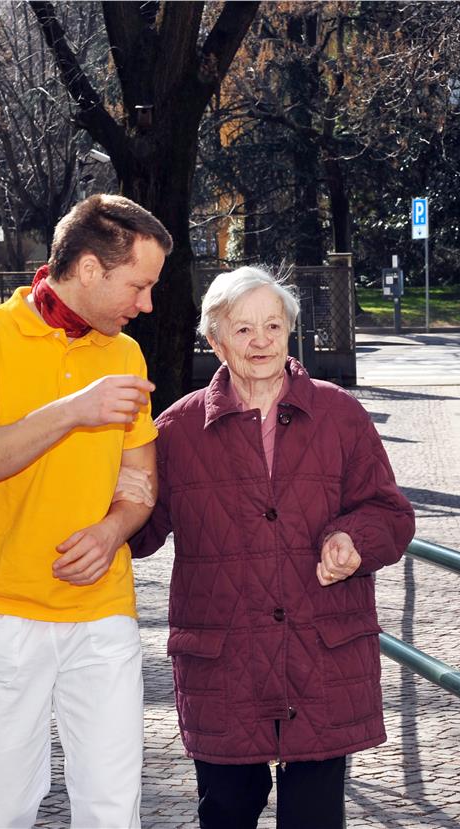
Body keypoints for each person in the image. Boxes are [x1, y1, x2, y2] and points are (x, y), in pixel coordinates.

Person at [120, 266, 415, 829]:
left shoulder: (340, 414)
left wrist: (353, 540)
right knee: (227, 808)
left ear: (290, 332)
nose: (260, 342)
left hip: (321, 645)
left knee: (313, 815)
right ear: (214, 339)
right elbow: (144, 531)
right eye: (243, 330)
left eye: (273, 327)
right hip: (224, 655)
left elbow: (391, 514)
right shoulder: (176, 429)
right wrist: (105, 489)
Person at [0, 194, 172, 829]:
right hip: (2, 609)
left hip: (102, 614)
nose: (146, 304)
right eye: (138, 285)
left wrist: (112, 529)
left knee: (113, 809)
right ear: (89, 269)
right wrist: (73, 411)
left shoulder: (125, 354)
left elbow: (140, 482)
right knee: (0, 808)